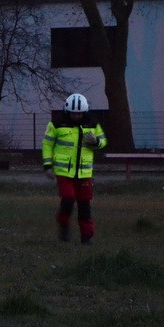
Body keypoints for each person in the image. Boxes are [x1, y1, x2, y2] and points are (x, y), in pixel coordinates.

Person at [42, 93, 107, 245]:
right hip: (64, 172)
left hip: (84, 173)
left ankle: (87, 237)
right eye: (73, 113)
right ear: (67, 111)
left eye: (79, 113)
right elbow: (47, 145)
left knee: (85, 205)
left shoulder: (93, 124)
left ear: (84, 112)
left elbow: (103, 141)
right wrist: (47, 166)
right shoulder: (56, 124)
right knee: (69, 199)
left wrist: (96, 141)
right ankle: (63, 224)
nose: (76, 116)